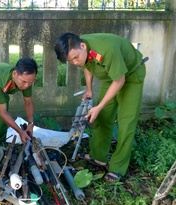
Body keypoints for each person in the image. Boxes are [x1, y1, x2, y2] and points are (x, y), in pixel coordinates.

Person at [54, 32, 147, 183]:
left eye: (76, 58)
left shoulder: (107, 49)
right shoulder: (82, 49)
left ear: (83, 46)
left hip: (131, 75)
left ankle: (118, 167)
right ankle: (98, 156)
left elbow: (120, 80)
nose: (75, 63)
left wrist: (99, 105)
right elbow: (87, 65)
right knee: (103, 116)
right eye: (71, 61)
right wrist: (89, 89)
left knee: (126, 121)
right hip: (112, 76)